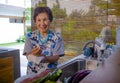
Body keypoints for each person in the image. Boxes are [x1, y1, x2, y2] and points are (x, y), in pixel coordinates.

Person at [23, 6, 65, 75]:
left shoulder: (57, 37)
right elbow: (28, 55)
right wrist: (33, 54)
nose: (42, 24)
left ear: (50, 20)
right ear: (35, 21)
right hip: (32, 75)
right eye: (39, 20)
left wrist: (43, 57)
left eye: (45, 20)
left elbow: (56, 57)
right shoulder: (29, 36)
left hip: (50, 74)